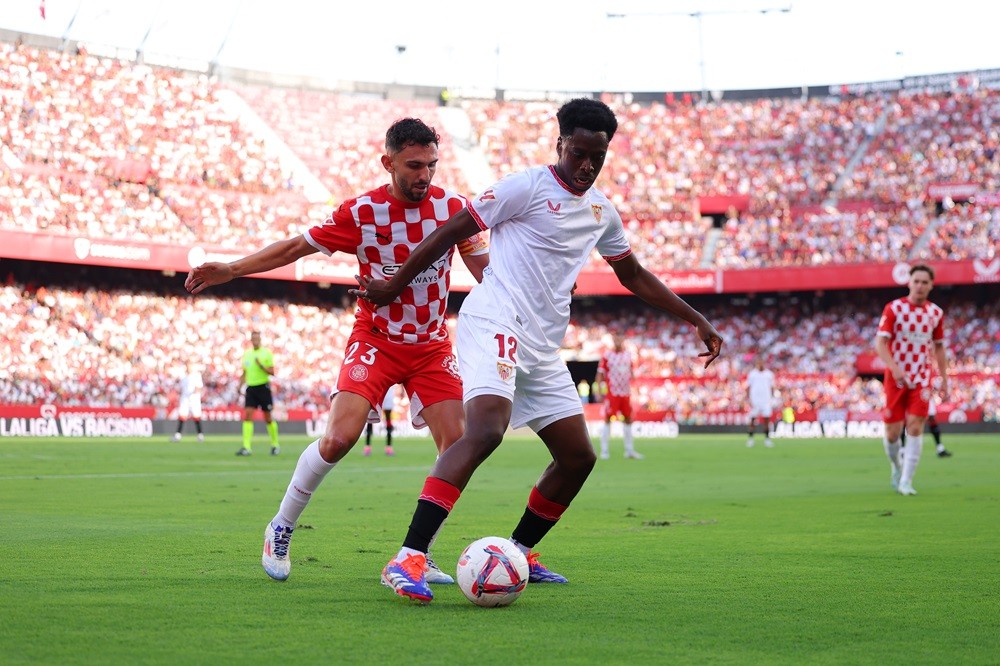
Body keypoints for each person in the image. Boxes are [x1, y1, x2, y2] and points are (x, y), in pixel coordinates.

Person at [355, 98, 723, 604]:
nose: (587, 165)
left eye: (598, 155)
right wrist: (396, 283)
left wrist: (696, 319)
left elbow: (633, 275)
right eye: (578, 153)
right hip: (494, 321)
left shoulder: (601, 211)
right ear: (560, 145)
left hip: (543, 346)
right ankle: (408, 557)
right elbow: (451, 230)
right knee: (485, 431)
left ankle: (519, 550)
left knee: (577, 458)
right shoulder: (524, 188)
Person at [185, 117, 489, 585]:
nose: (424, 175)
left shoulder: (454, 208)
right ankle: (281, 526)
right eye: (413, 165)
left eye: (431, 164)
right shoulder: (362, 212)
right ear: (387, 163)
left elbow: (484, 269)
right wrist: (232, 268)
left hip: (431, 346)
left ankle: (419, 552)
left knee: (460, 446)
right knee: (339, 439)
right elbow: (294, 248)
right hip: (376, 341)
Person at [875, 264, 949, 496]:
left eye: (924, 282)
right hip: (896, 378)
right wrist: (894, 368)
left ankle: (907, 481)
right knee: (892, 433)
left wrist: (944, 379)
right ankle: (896, 466)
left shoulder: (935, 313)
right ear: (909, 282)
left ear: (930, 285)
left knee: (916, 427)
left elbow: (939, 348)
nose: (919, 286)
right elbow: (880, 343)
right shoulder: (894, 309)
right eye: (916, 281)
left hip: (921, 377)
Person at [595, 334, 642, 460]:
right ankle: (604, 451)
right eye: (616, 339)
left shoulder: (628, 355)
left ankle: (629, 450)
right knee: (607, 419)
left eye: (620, 339)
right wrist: (599, 391)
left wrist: (636, 390)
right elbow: (600, 374)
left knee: (627, 419)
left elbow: (632, 374)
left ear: (623, 340)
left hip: (625, 393)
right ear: (612, 340)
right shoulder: (607, 356)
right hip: (613, 393)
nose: (618, 341)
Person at [237, 331, 280, 457]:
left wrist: (261, 366)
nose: (255, 340)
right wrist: (239, 385)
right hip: (251, 388)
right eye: (253, 338)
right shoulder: (247, 354)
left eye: (257, 338)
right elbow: (244, 372)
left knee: (268, 417)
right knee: (248, 415)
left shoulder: (266, 353)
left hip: (263, 387)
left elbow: (272, 372)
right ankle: (246, 447)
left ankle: (275, 444)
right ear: (251, 340)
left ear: (260, 339)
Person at [746, 357, 775, 448]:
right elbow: (748, 387)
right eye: (759, 362)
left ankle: (767, 439)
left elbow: (772, 387)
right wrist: (749, 399)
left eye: (762, 362)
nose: (760, 364)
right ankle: (751, 439)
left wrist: (772, 399)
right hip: (755, 401)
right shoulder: (752, 374)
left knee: (766, 420)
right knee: (753, 420)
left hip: (766, 401)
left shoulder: (769, 374)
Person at [172, 362, 205, 442]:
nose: (188, 367)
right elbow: (181, 388)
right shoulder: (183, 377)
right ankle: (178, 435)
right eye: (187, 366)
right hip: (185, 399)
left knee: (196, 417)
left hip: (194, 398)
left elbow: (199, 387)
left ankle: (200, 435)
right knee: (182, 416)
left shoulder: (196, 376)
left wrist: (194, 392)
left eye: (189, 366)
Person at [365, 387, 396, 457]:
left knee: (388, 419)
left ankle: (389, 447)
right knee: (370, 417)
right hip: (377, 388)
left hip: (388, 390)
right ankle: (367, 446)